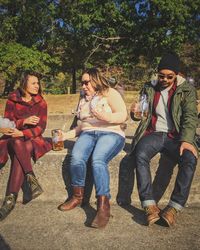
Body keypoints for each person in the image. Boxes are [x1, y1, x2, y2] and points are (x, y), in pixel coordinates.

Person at [130, 53, 198, 226]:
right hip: (153, 133)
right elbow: (143, 113)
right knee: (140, 153)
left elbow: (190, 117)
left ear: (177, 75)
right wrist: (135, 113)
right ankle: (149, 205)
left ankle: (173, 208)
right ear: (157, 73)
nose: (165, 80)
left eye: (170, 76)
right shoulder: (149, 87)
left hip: (176, 136)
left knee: (190, 158)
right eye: (162, 76)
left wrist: (187, 140)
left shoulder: (186, 89)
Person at [58, 68, 127, 229]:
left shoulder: (110, 93)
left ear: (95, 80)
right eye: (82, 82)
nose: (83, 85)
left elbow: (123, 115)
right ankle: (77, 196)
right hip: (88, 133)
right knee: (76, 158)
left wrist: (106, 117)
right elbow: (81, 126)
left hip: (111, 132)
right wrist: (65, 136)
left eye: (86, 82)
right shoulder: (83, 99)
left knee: (98, 160)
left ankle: (103, 206)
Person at [0, 71, 52, 221]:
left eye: (38, 83)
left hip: (31, 139)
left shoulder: (41, 102)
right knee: (16, 142)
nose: (37, 86)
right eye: (33, 83)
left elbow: (41, 127)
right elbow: (7, 123)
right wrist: (23, 122)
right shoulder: (12, 100)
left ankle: (9, 201)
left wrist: (23, 133)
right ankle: (31, 177)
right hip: (11, 137)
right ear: (24, 84)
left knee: (21, 147)